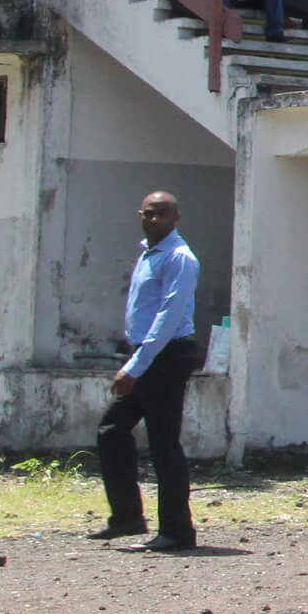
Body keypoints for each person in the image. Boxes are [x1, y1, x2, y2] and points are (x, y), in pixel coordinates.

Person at [92, 191, 201, 552]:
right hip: (147, 353)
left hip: (167, 355)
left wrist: (135, 367)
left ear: (176, 218)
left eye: (163, 215)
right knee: (111, 430)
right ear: (140, 214)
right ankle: (127, 518)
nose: (155, 220)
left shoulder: (179, 258)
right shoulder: (148, 253)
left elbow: (168, 319)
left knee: (163, 443)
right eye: (150, 214)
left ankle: (177, 531)